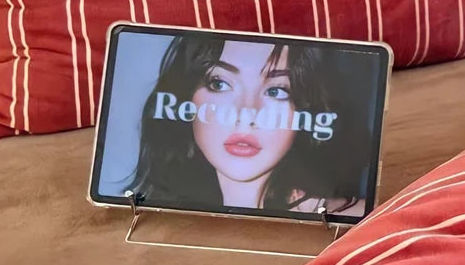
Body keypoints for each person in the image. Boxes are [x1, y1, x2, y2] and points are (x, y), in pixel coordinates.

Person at [128, 35, 370, 217]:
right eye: (219, 84)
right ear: (186, 98)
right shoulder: (147, 208)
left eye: (276, 91)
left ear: (305, 109)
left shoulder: (352, 219)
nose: (247, 113)